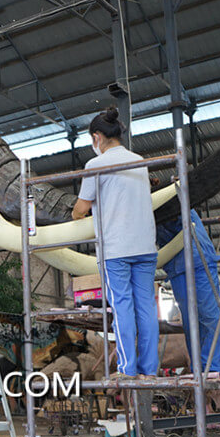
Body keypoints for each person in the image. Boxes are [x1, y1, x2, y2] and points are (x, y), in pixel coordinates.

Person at [72, 107, 159, 380]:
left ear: (97, 137)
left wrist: (76, 214)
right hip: (146, 245)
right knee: (146, 307)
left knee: (122, 307)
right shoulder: (139, 161)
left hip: (116, 248)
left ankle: (127, 369)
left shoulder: (95, 165)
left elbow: (80, 209)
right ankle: (149, 370)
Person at [156, 209, 220, 377]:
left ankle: (212, 368)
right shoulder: (143, 209)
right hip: (177, 267)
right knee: (189, 320)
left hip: (199, 260)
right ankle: (198, 369)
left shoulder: (176, 199)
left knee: (208, 316)